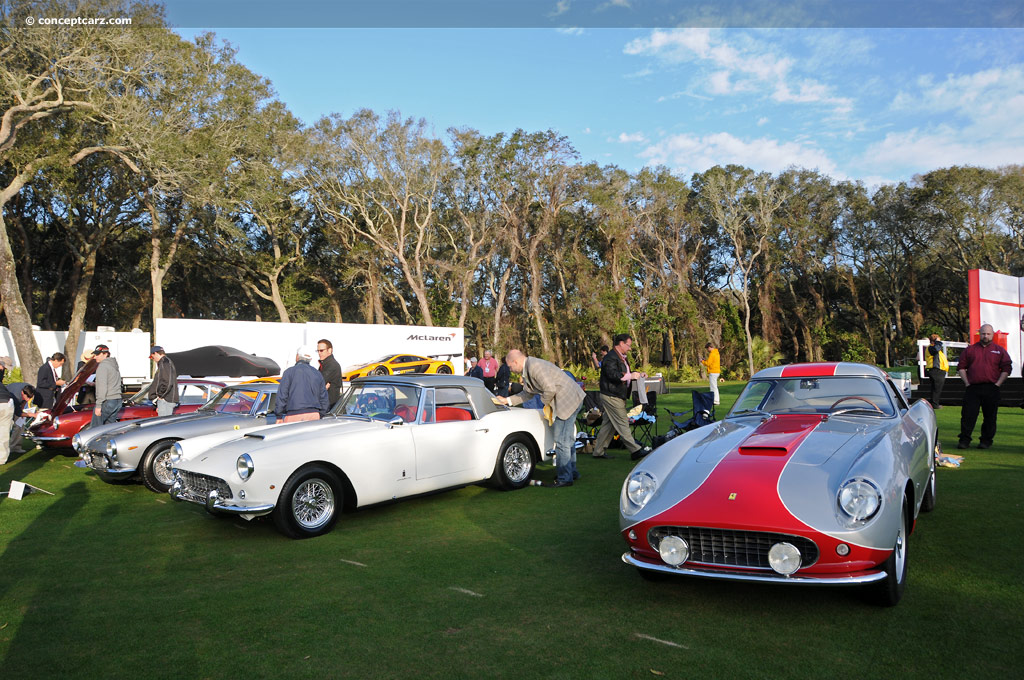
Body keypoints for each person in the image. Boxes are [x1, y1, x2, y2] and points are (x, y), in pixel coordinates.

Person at [498, 349, 585, 487]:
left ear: (515, 361)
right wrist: (507, 401)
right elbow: (527, 394)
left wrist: (545, 404)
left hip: (568, 400)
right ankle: (571, 472)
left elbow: (550, 389)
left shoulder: (534, 367)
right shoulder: (528, 368)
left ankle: (565, 478)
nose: (510, 369)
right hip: (572, 397)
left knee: (561, 440)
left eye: (510, 366)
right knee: (567, 439)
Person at [593, 333, 652, 462]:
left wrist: (638, 374)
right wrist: (631, 376)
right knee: (622, 422)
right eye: (628, 345)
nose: (630, 348)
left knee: (608, 425)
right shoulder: (610, 358)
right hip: (611, 395)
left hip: (616, 394)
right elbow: (613, 374)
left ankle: (598, 451)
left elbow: (626, 374)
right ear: (621, 343)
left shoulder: (620, 357)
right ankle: (635, 450)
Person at [957, 324, 1012, 450]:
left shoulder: (999, 350)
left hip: (991, 388)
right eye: (983, 334)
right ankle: (964, 440)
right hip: (973, 388)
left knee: (990, 417)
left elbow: (1007, 368)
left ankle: (986, 441)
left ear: (992, 335)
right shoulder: (970, 350)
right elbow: (961, 367)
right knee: (968, 415)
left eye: (988, 334)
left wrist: (998, 384)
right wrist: (967, 383)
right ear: (979, 334)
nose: (985, 336)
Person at [276, 346, 330, 423]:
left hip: (294, 413)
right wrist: (320, 414)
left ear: (297, 356)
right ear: (310, 359)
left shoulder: (289, 372)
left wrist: (279, 416)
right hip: (314, 414)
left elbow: (282, 396)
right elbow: (324, 398)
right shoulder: (317, 374)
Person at [90, 344, 123, 428]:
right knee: (109, 429)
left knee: (95, 429)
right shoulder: (114, 365)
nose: (95, 357)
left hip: (107, 401)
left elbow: (102, 387)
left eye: (97, 354)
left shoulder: (103, 366)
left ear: (105, 354)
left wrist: (98, 405)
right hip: (117, 400)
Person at [148, 346, 178, 417]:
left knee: (164, 424)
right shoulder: (165, 362)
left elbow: (167, 381)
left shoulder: (164, 363)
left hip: (166, 400)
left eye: (152, 357)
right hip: (165, 399)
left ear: (155, 353)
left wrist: (161, 396)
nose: (153, 360)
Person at [7, 383, 36, 455]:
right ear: (22, 393)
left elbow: (24, 401)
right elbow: (18, 413)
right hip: (6, 403)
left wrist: (23, 410)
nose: (29, 399)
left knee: (20, 424)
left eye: (30, 397)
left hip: (15, 403)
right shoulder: (16, 396)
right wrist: (30, 414)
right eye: (28, 397)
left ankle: (15, 447)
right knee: (6, 426)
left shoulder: (30, 388)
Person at [926, 334, 949, 409]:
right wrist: (938, 342)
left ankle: (934, 403)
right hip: (936, 370)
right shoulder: (931, 347)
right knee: (937, 388)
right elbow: (936, 349)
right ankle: (935, 404)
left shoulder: (934, 348)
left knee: (936, 388)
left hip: (938, 371)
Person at [317, 338, 343, 406]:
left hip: (329, 407)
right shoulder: (324, 364)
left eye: (321, 350)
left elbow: (317, 383)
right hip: (325, 404)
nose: (319, 353)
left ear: (330, 350)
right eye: (318, 351)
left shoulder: (332, 365)